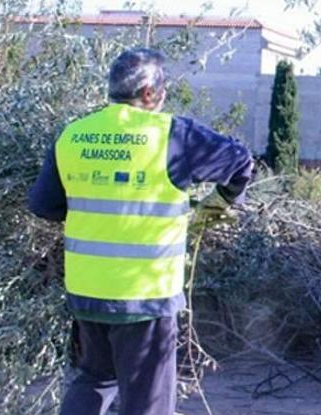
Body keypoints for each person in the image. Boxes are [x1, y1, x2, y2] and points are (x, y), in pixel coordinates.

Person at [28, 48, 254, 415]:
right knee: (146, 403)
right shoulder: (173, 135)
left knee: (94, 381)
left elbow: (43, 205)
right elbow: (241, 162)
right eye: (163, 88)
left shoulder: (73, 135)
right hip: (145, 299)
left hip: (88, 293)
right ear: (149, 92)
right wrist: (216, 208)